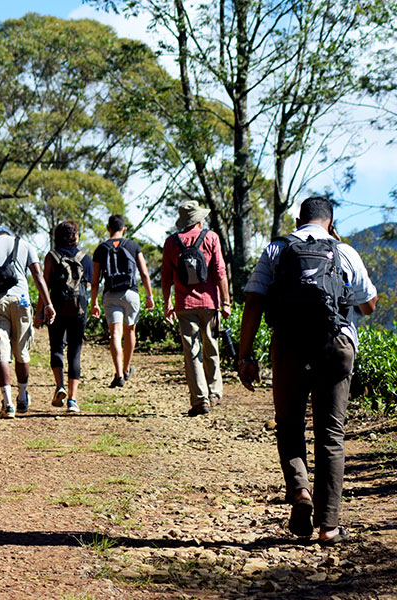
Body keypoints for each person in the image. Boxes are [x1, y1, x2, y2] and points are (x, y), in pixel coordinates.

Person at [238, 196, 377, 545]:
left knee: (289, 424)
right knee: (331, 434)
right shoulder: (344, 252)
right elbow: (369, 305)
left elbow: (253, 301)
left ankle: (300, 490)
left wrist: (245, 355)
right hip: (335, 345)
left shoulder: (276, 250)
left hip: (288, 347)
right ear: (330, 221)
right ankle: (329, 526)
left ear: (298, 219)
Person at [0, 226, 56, 418]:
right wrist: (48, 304)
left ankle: (8, 403)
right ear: (8, 234)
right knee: (21, 350)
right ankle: (23, 396)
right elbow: (38, 276)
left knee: (1, 351)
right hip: (22, 301)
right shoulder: (25, 244)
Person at [161, 200, 232, 417]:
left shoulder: (171, 242)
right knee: (211, 347)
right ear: (199, 219)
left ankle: (200, 400)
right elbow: (220, 272)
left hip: (184, 304)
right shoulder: (211, 238)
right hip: (210, 303)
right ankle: (214, 392)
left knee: (192, 352)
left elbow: (166, 277)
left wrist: (167, 303)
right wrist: (226, 302)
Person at [90, 214, 154, 388]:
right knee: (130, 331)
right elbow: (144, 273)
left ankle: (118, 374)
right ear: (124, 229)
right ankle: (126, 369)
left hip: (111, 294)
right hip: (131, 293)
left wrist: (94, 302)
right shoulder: (133, 245)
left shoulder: (101, 248)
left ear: (108, 228)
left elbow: (95, 281)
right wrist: (149, 296)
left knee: (115, 334)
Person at [36, 221, 93, 413]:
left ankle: (59, 386)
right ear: (75, 236)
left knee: (57, 347)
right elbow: (87, 286)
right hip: (79, 308)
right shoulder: (85, 258)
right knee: (75, 351)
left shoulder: (51, 257)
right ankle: (73, 400)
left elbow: (44, 286)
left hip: (56, 306)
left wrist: (39, 312)